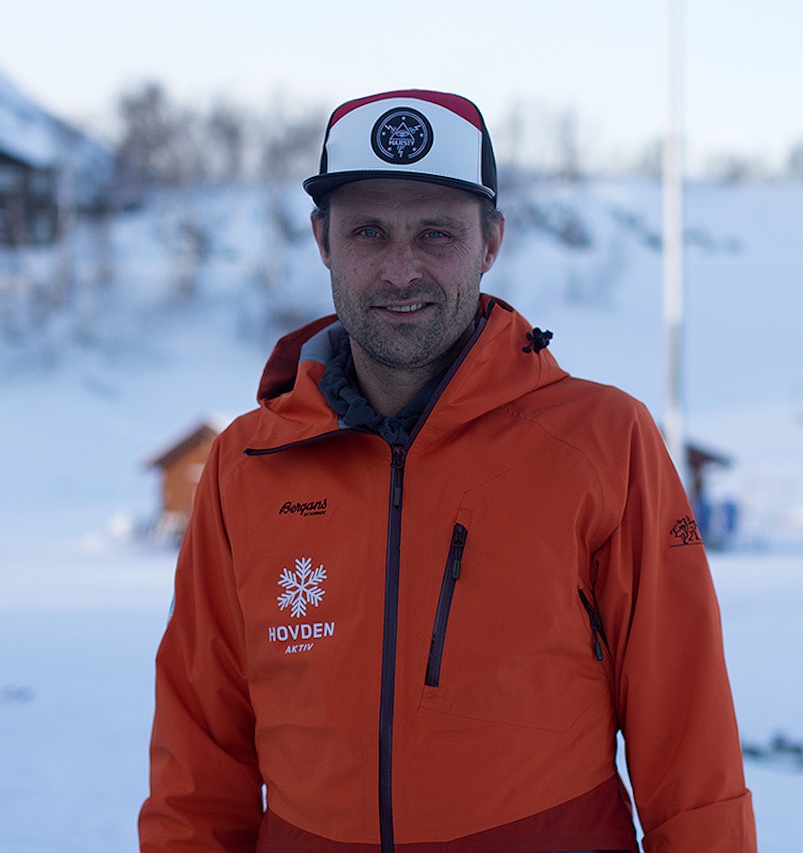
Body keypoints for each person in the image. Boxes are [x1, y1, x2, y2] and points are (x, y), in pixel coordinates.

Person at [138, 89, 756, 853]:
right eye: (370, 231)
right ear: (322, 240)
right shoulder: (247, 464)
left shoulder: (604, 442)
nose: (403, 271)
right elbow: (198, 763)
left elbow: (689, 735)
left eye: (436, 233)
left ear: (491, 241)